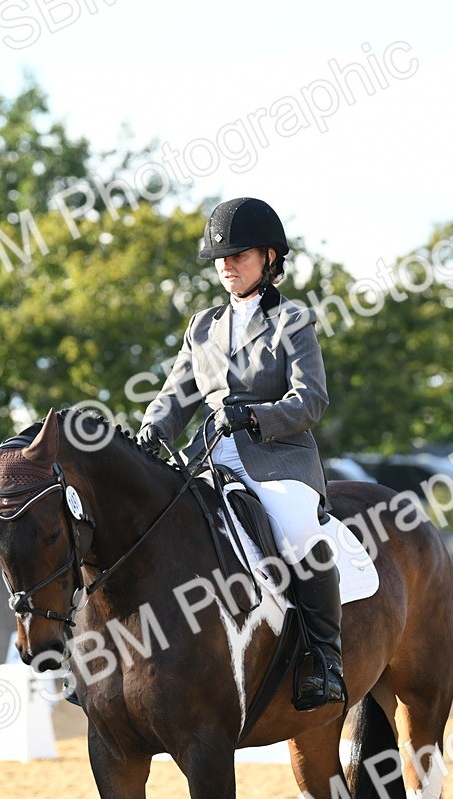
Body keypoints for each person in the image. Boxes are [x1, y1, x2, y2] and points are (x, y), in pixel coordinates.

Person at [137, 197, 347, 711]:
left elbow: (311, 400)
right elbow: (176, 395)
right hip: (207, 454)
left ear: (270, 259)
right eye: (221, 259)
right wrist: (148, 431)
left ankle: (325, 658)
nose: (227, 266)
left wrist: (256, 417)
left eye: (240, 256)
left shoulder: (293, 319)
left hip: (276, 457)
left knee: (298, 530)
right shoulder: (202, 325)